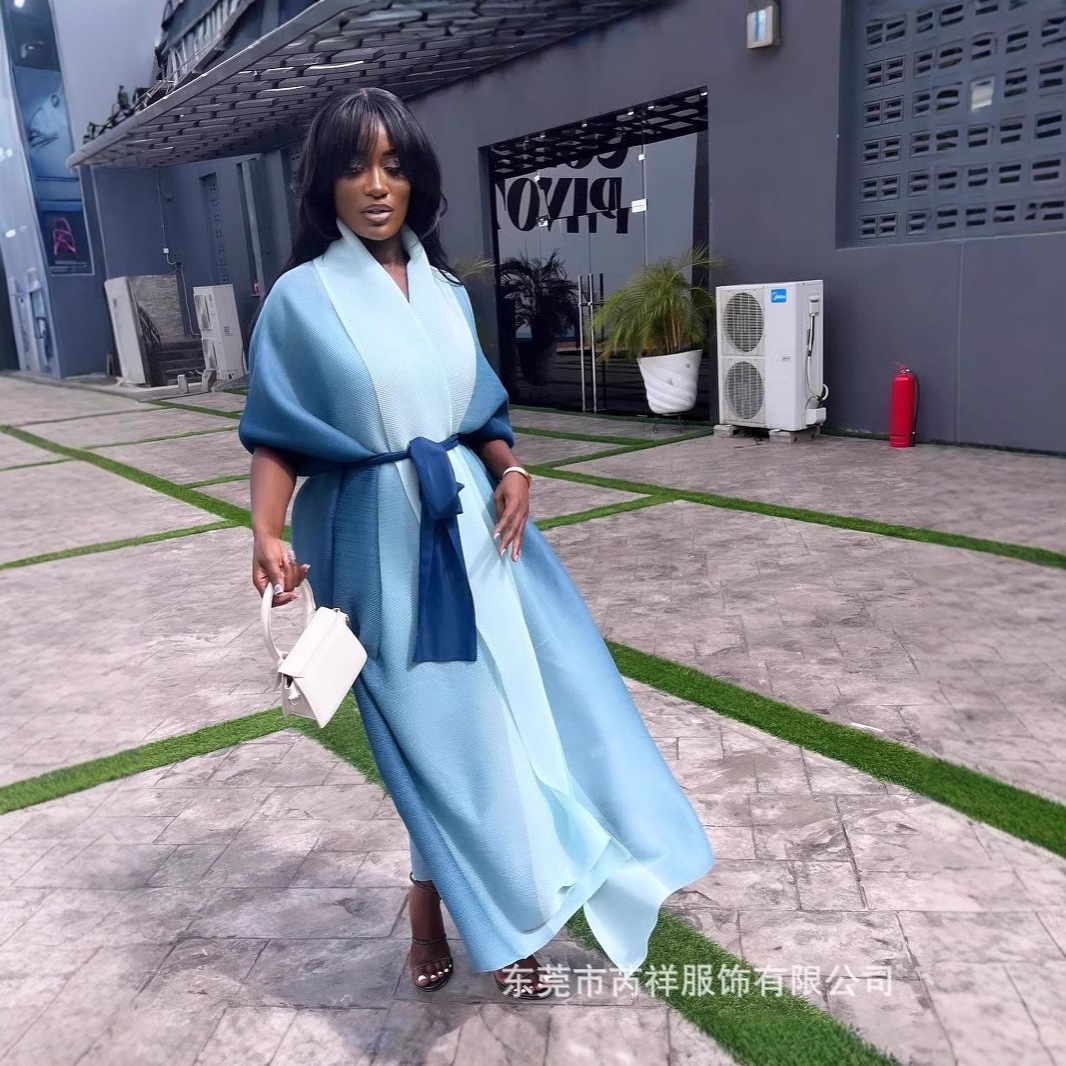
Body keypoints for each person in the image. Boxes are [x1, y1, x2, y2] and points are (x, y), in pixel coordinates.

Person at [239, 88, 713, 1000]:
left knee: (512, 723)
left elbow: (479, 413)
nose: (377, 186)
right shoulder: (299, 300)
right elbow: (276, 437)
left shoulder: (449, 292)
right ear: (324, 184)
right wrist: (264, 528)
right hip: (374, 543)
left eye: (393, 165)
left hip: (473, 534)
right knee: (440, 744)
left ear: (417, 178)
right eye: (354, 167)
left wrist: (513, 468)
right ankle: (449, 909)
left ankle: (507, 919)